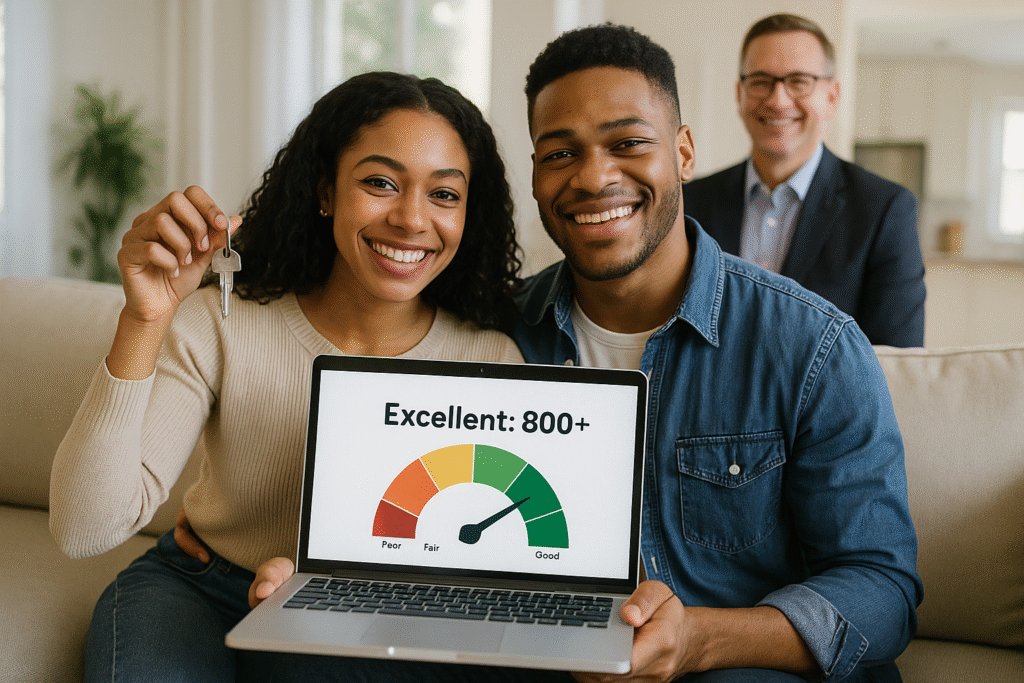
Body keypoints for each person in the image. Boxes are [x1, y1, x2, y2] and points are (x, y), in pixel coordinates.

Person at [244, 24, 922, 683]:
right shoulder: (491, 333)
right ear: (535, 175)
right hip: (542, 657)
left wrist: (698, 640)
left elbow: (882, 587)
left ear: (683, 152)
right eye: (561, 153)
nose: (594, 178)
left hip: (731, 663)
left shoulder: (813, 345)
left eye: (628, 142)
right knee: (299, 655)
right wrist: (278, 544)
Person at [49, 71, 526, 682]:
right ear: (325, 190)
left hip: (361, 613)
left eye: (445, 194)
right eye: (380, 183)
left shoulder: (491, 360)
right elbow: (86, 528)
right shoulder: (221, 321)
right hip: (198, 587)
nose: (411, 219)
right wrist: (144, 318)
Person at [683, 13, 926, 348]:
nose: (778, 100)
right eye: (760, 81)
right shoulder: (688, 202)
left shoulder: (884, 209)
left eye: (799, 81)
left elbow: (896, 360)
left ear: (832, 96)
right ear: (740, 94)